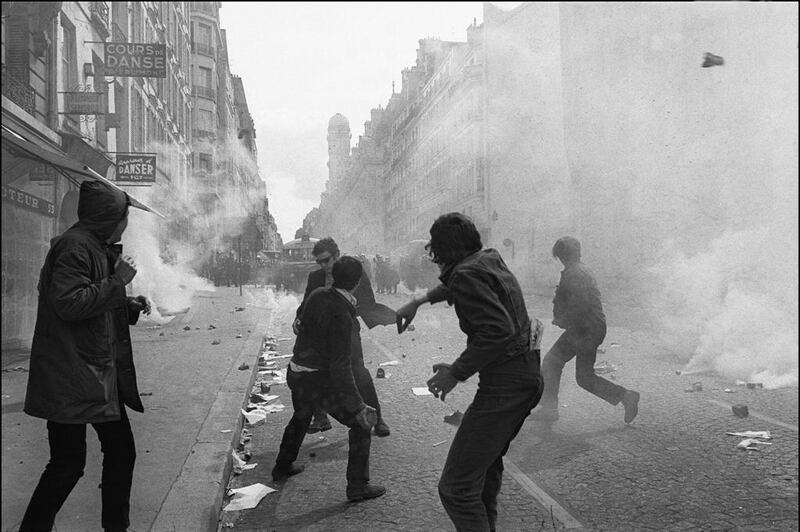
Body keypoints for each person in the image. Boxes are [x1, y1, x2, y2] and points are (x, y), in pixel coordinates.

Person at [395, 212, 542, 532]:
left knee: (456, 489)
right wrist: (419, 300)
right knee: (485, 471)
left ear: (442, 251)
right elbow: (456, 282)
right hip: (526, 376)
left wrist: (455, 372)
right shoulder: (487, 259)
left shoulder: (466, 274)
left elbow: (497, 330)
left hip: (506, 385)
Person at [20, 179, 152, 532]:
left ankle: (113, 526)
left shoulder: (93, 245)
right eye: (124, 215)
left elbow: (88, 302)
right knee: (68, 462)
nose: (126, 222)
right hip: (73, 375)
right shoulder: (75, 247)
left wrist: (126, 306)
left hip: (92, 374)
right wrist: (118, 283)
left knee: (109, 454)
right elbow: (69, 303)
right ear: (109, 216)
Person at [273, 256, 386, 502]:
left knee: (301, 416)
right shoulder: (343, 316)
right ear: (357, 283)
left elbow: (303, 323)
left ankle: (282, 466)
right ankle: (357, 486)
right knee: (360, 424)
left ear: (333, 276)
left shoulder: (318, 295)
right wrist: (358, 406)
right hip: (316, 379)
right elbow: (340, 368)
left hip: (296, 371)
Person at [293, 237, 395, 437]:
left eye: (327, 260)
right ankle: (320, 416)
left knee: (359, 373)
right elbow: (306, 303)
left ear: (337, 255)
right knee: (313, 372)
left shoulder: (354, 273)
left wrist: (394, 317)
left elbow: (368, 304)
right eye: (320, 262)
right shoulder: (315, 278)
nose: (325, 266)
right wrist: (298, 318)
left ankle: (378, 418)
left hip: (347, 332)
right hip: (321, 336)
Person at [531, 236, 640, 423]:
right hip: (587, 328)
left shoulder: (575, 274)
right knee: (573, 372)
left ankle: (550, 409)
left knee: (556, 364)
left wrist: (563, 319)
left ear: (564, 255)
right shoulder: (578, 271)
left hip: (585, 330)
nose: (561, 260)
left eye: (561, 256)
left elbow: (580, 305)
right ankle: (625, 396)